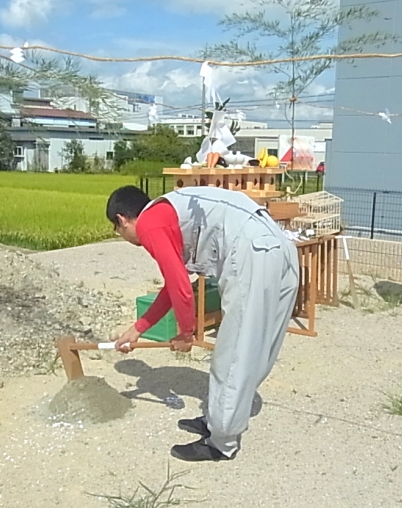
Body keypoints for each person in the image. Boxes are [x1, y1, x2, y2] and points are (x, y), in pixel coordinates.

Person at [106, 185, 299, 462]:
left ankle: (221, 442)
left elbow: (180, 286)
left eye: (118, 230)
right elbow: (173, 286)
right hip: (278, 245)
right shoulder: (168, 212)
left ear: (122, 219)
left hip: (250, 250)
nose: (124, 236)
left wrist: (186, 333)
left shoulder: (149, 224)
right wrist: (138, 329)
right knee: (257, 344)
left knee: (233, 351)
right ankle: (217, 420)